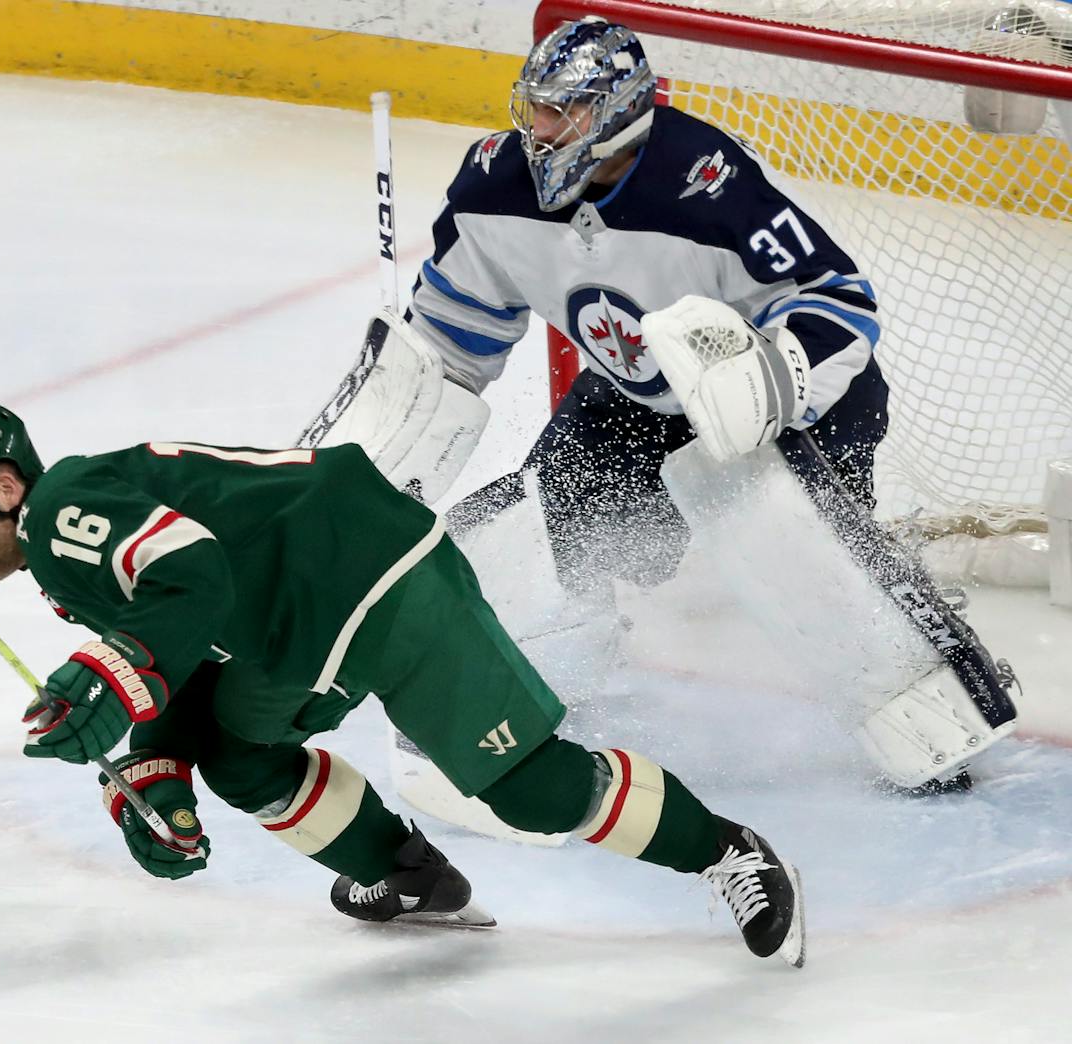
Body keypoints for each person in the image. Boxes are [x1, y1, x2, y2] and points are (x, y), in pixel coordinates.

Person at [331, 16, 1016, 793]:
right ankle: (559, 662)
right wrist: (381, 443)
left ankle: (930, 704)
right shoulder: (495, 187)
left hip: (796, 406)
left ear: (619, 110)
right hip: (636, 400)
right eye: (537, 108)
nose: (542, 130)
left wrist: (768, 383)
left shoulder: (704, 182)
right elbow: (453, 340)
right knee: (525, 532)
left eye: (567, 111)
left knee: (794, 547)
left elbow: (838, 301)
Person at [0, 400, 806, 966]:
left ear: (8, 484)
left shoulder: (65, 510)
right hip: (304, 623)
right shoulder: (69, 548)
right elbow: (179, 644)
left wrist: (112, 673)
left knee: (533, 791)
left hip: (373, 580)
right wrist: (156, 769)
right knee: (229, 747)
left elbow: (195, 577)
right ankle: (405, 877)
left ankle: (729, 850)